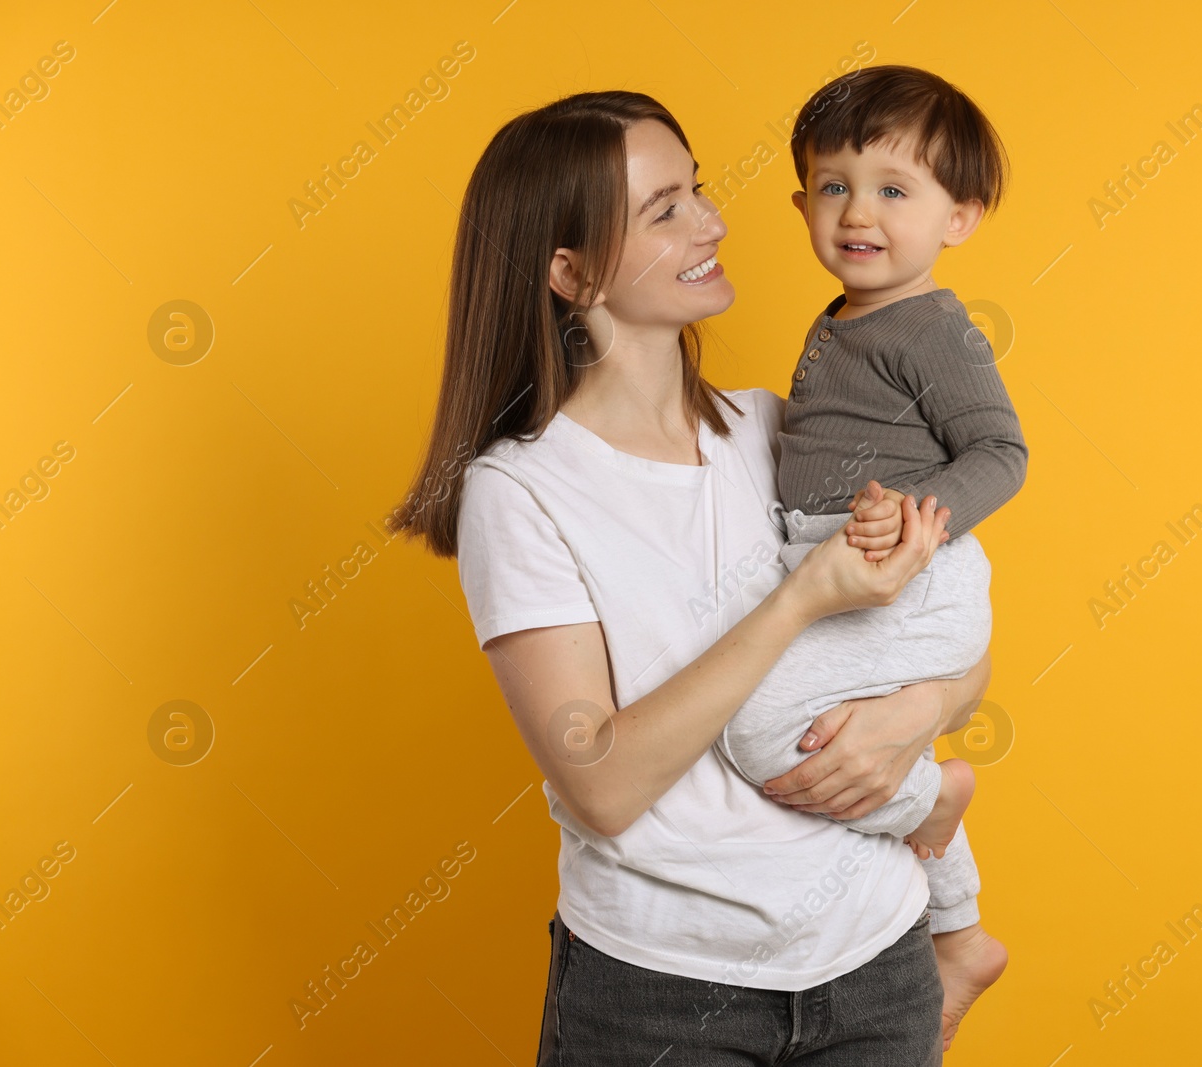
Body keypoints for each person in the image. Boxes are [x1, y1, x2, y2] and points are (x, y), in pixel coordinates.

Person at [393, 90, 994, 1065]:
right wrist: (803, 597)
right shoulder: (524, 490)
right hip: (659, 997)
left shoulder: (785, 429)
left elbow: (957, 649)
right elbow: (603, 785)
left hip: (877, 961)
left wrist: (918, 707)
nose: (711, 222)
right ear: (570, 269)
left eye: (699, 190)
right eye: (663, 207)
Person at [714, 64, 1022, 1053]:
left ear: (957, 218)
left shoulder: (930, 325)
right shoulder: (848, 311)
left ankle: (933, 807)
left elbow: (1001, 452)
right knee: (832, 729)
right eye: (834, 185)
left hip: (908, 578)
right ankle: (959, 933)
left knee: (763, 730)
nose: (859, 212)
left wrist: (920, 519)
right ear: (801, 202)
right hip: (844, 569)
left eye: (895, 190)